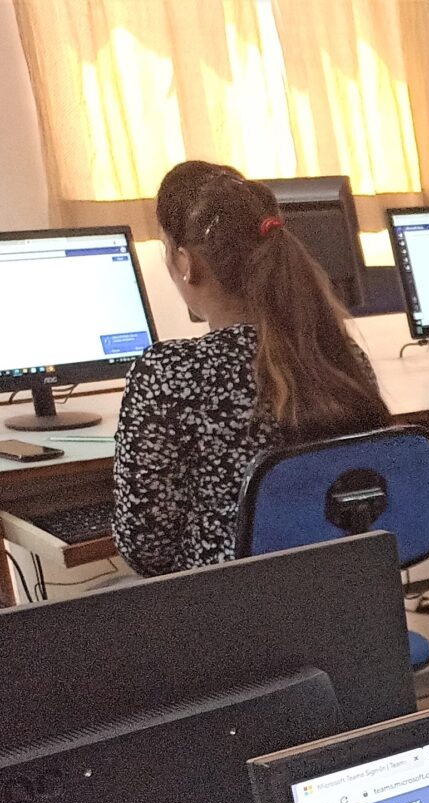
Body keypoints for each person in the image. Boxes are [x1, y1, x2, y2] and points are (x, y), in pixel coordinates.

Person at [113, 160, 388, 578]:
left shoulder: (168, 374)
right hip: (349, 606)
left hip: (234, 622)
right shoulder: (338, 353)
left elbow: (145, 549)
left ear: (186, 262)